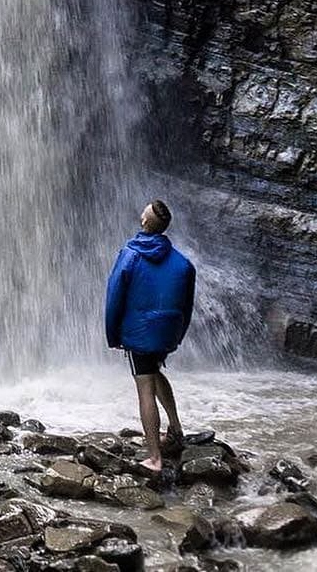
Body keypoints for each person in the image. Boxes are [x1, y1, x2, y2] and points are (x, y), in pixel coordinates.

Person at [104, 199, 196, 477]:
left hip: (140, 331)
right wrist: (176, 335)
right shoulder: (183, 263)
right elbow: (186, 306)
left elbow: (114, 296)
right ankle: (176, 428)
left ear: (145, 222)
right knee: (156, 373)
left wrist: (113, 334)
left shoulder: (131, 254)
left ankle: (154, 457)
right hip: (167, 329)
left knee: (145, 389)